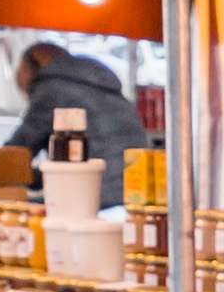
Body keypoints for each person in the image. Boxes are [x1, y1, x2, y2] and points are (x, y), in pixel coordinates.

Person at [14, 40, 151, 207]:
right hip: (137, 190)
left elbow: (17, 152)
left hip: (100, 193)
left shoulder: (52, 88)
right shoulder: (100, 84)